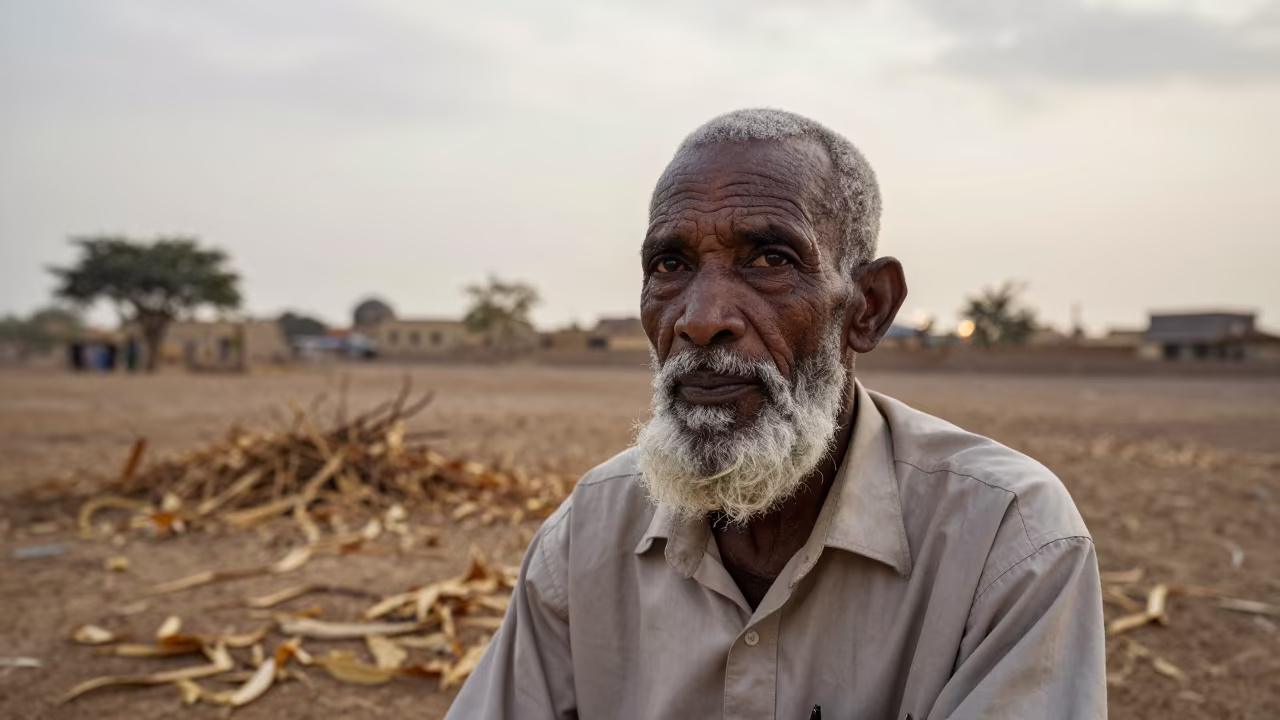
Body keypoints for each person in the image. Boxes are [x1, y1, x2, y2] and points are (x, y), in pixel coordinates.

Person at [446, 109, 1106, 720]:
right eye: (670, 264)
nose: (701, 320)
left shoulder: (1006, 537)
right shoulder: (590, 531)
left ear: (867, 307)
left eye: (770, 259)